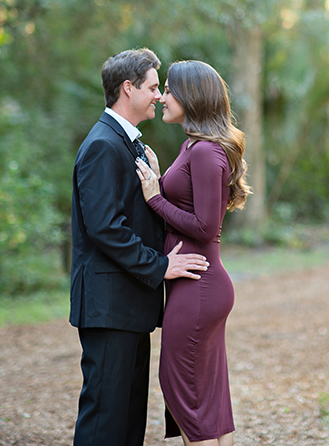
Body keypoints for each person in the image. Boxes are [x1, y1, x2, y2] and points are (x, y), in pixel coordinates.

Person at [69, 48, 210, 446]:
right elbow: (105, 228)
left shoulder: (128, 143)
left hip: (127, 305)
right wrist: (159, 265)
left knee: (128, 418)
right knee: (105, 419)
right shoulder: (102, 145)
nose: (159, 96)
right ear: (127, 89)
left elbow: (133, 215)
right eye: (152, 87)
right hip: (109, 305)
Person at [135, 60, 251, 446]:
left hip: (199, 286)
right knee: (209, 401)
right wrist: (159, 175)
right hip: (198, 283)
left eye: (168, 89)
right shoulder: (194, 146)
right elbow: (189, 200)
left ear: (191, 96)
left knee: (185, 391)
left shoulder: (204, 152)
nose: (162, 97)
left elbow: (205, 226)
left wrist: (154, 198)